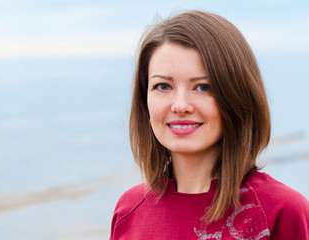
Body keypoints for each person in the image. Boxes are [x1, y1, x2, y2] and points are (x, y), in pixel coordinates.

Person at [109, 10, 309, 240]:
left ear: (237, 97)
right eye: (163, 86)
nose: (180, 105)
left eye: (203, 87)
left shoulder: (281, 211)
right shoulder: (129, 210)